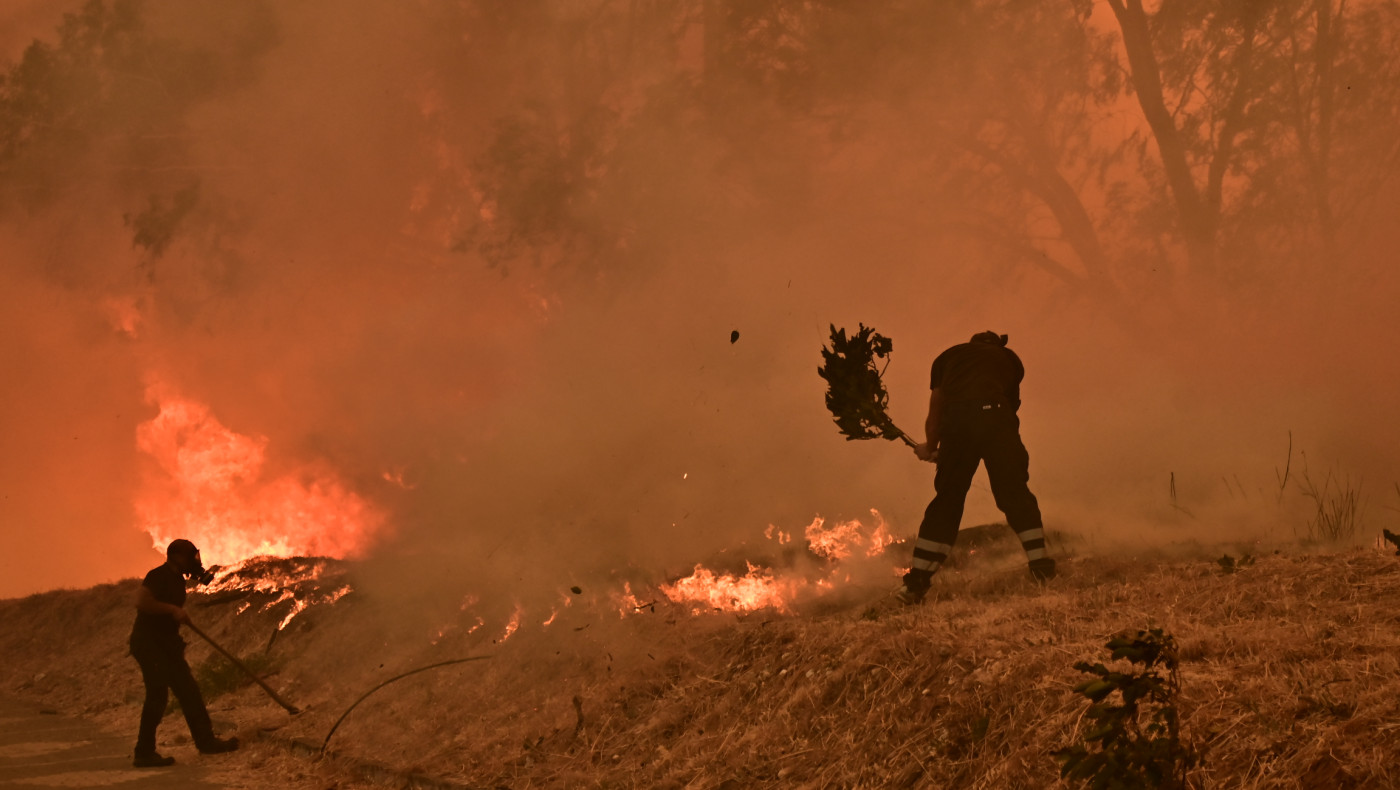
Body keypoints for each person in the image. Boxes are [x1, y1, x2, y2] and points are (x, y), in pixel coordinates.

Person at [899, 331, 1055, 603]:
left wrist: (933, 446)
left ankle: (916, 584)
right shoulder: (1009, 358)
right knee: (1014, 493)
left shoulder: (947, 357)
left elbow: (937, 405)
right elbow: (1010, 408)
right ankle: (1041, 568)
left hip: (957, 423)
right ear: (995, 345)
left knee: (948, 500)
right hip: (997, 418)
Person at [129, 539, 239, 767]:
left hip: (166, 645)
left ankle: (207, 743)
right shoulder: (158, 575)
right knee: (157, 696)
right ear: (178, 557)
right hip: (149, 645)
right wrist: (172, 609)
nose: (195, 562)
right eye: (191, 557)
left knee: (189, 692)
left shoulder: (177, 580)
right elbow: (141, 601)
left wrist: (174, 616)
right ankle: (144, 753)